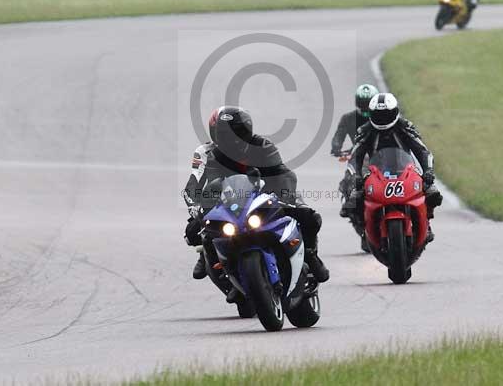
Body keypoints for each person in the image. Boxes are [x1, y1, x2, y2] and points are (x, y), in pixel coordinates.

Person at [182, 106, 329, 290]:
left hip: (269, 195)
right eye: (226, 134)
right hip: (229, 202)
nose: (233, 139)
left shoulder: (263, 146)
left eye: (239, 133)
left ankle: (309, 254)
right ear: (215, 134)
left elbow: (284, 174)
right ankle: (214, 263)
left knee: (309, 216)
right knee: (195, 232)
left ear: (249, 131)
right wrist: (197, 210)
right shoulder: (208, 154)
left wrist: (284, 195)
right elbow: (196, 186)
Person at [340, 92, 443, 243]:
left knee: (432, 191)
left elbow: (423, 151)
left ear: (395, 112)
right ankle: (364, 228)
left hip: (405, 169)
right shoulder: (365, 131)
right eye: (378, 115)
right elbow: (355, 157)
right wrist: (356, 176)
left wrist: (428, 172)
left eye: (386, 114)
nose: (382, 119)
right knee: (354, 198)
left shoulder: (405, 126)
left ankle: (426, 223)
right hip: (375, 172)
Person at [330, 83, 379, 157]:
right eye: (362, 104)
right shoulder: (347, 118)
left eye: (369, 104)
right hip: (357, 154)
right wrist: (336, 147)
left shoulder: (384, 117)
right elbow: (339, 135)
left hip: (382, 155)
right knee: (349, 168)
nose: (366, 107)